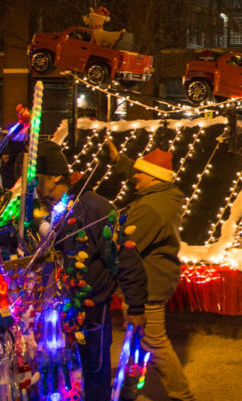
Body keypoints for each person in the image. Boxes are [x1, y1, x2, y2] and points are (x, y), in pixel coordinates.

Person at [35, 141, 147, 401]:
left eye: (39, 180)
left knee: (94, 372)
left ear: (54, 177)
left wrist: (137, 307)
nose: (36, 188)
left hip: (93, 307)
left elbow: (126, 259)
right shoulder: (54, 208)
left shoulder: (96, 208)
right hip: (62, 309)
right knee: (66, 374)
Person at [107, 140, 197, 401]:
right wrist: (119, 161)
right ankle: (130, 384)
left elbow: (124, 248)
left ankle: (182, 395)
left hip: (147, 286)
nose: (133, 177)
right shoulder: (163, 194)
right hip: (155, 279)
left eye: (139, 173)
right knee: (137, 336)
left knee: (153, 341)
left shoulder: (149, 208)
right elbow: (140, 174)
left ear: (153, 178)